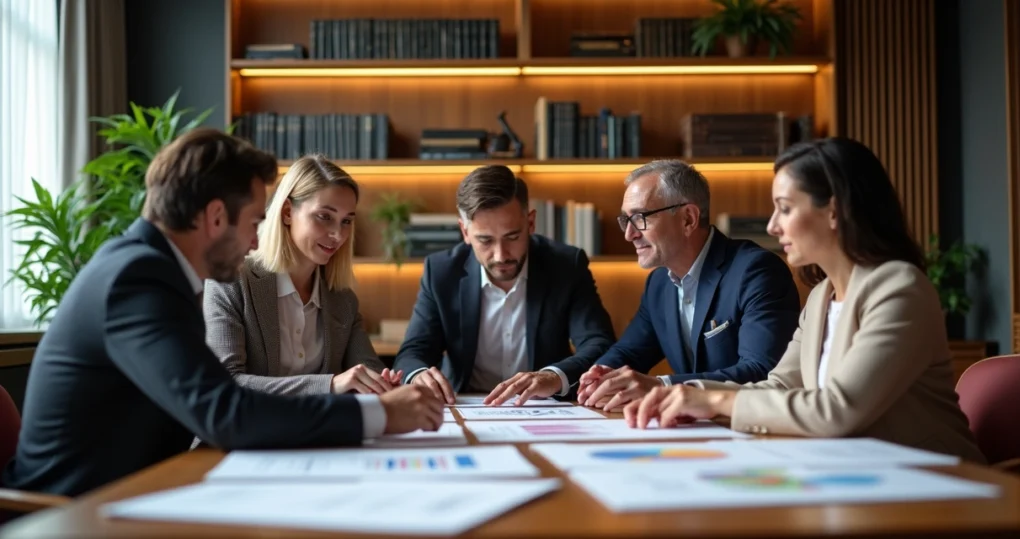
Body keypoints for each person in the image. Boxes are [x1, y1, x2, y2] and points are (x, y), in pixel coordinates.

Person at [2, 129, 443, 497]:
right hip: (73, 513)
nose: (256, 242)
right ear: (215, 217)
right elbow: (225, 410)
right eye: (254, 222)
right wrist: (381, 415)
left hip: (138, 492)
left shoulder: (155, 272)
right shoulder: (137, 279)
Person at [623, 138, 986, 463]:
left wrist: (712, 402)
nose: (771, 226)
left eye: (785, 208)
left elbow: (836, 410)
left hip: (937, 488)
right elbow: (778, 386)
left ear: (833, 210)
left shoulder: (899, 288)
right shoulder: (820, 297)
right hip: (855, 478)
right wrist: (688, 394)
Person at [577, 159, 801, 411]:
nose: (629, 234)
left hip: (749, 428)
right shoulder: (659, 283)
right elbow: (628, 353)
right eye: (625, 220)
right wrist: (600, 375)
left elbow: (762, 371)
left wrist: (660, 386)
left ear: (688, 219)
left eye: (640, 218)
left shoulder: (756, 271)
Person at [392, 165, 616, 406]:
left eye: (512, 237)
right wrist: (418, 375)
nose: (501, 255)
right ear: (464, 231)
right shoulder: (441, 272)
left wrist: (553, 376)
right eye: (485, 240)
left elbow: (599, 344)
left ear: (530, 223)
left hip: (542, 404)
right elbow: (413, 352)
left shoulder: (566, 265)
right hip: (464, 402)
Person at [204, 154, 400, 397]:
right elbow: (225, 384)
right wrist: (329, 385)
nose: (338, 234)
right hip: (247, 433)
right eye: (324, 217)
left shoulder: (342, 299)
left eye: (346, 221)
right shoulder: (231, 282)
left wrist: (383, 383)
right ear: (287, 212)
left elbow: (367, 368)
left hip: (321, 434)